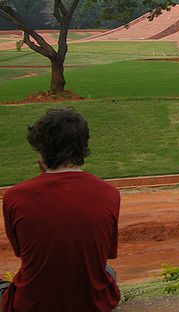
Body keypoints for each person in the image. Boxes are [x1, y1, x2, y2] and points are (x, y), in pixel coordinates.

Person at [1, 108, 121, 312]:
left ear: (41, 151)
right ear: (84, 147)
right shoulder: (109, 194)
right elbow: (106, 253)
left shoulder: (14, 196)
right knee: (108, 270)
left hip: (31, 304)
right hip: (93, 303)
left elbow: (22, 252)